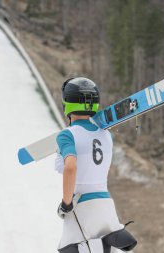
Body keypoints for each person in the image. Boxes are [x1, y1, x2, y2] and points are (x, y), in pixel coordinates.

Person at [55, 77, 136, 253]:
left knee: (73, 249)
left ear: (66, 104)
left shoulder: (66, 136)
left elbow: (71, 167)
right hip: (105, 204)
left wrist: (66, 203)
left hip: (82, 205)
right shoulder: (107, 135)